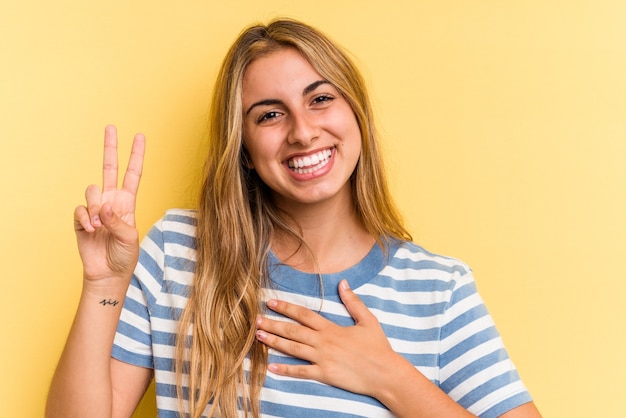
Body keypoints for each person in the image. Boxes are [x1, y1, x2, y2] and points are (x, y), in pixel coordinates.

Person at [46, 19, 541, 418]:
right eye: (269, 114)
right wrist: (103, 283)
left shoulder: (438, 288)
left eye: (320, 99)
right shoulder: (178, 251)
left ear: (357, 115)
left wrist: (387, 376)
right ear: (241, 148)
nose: (303, 132)